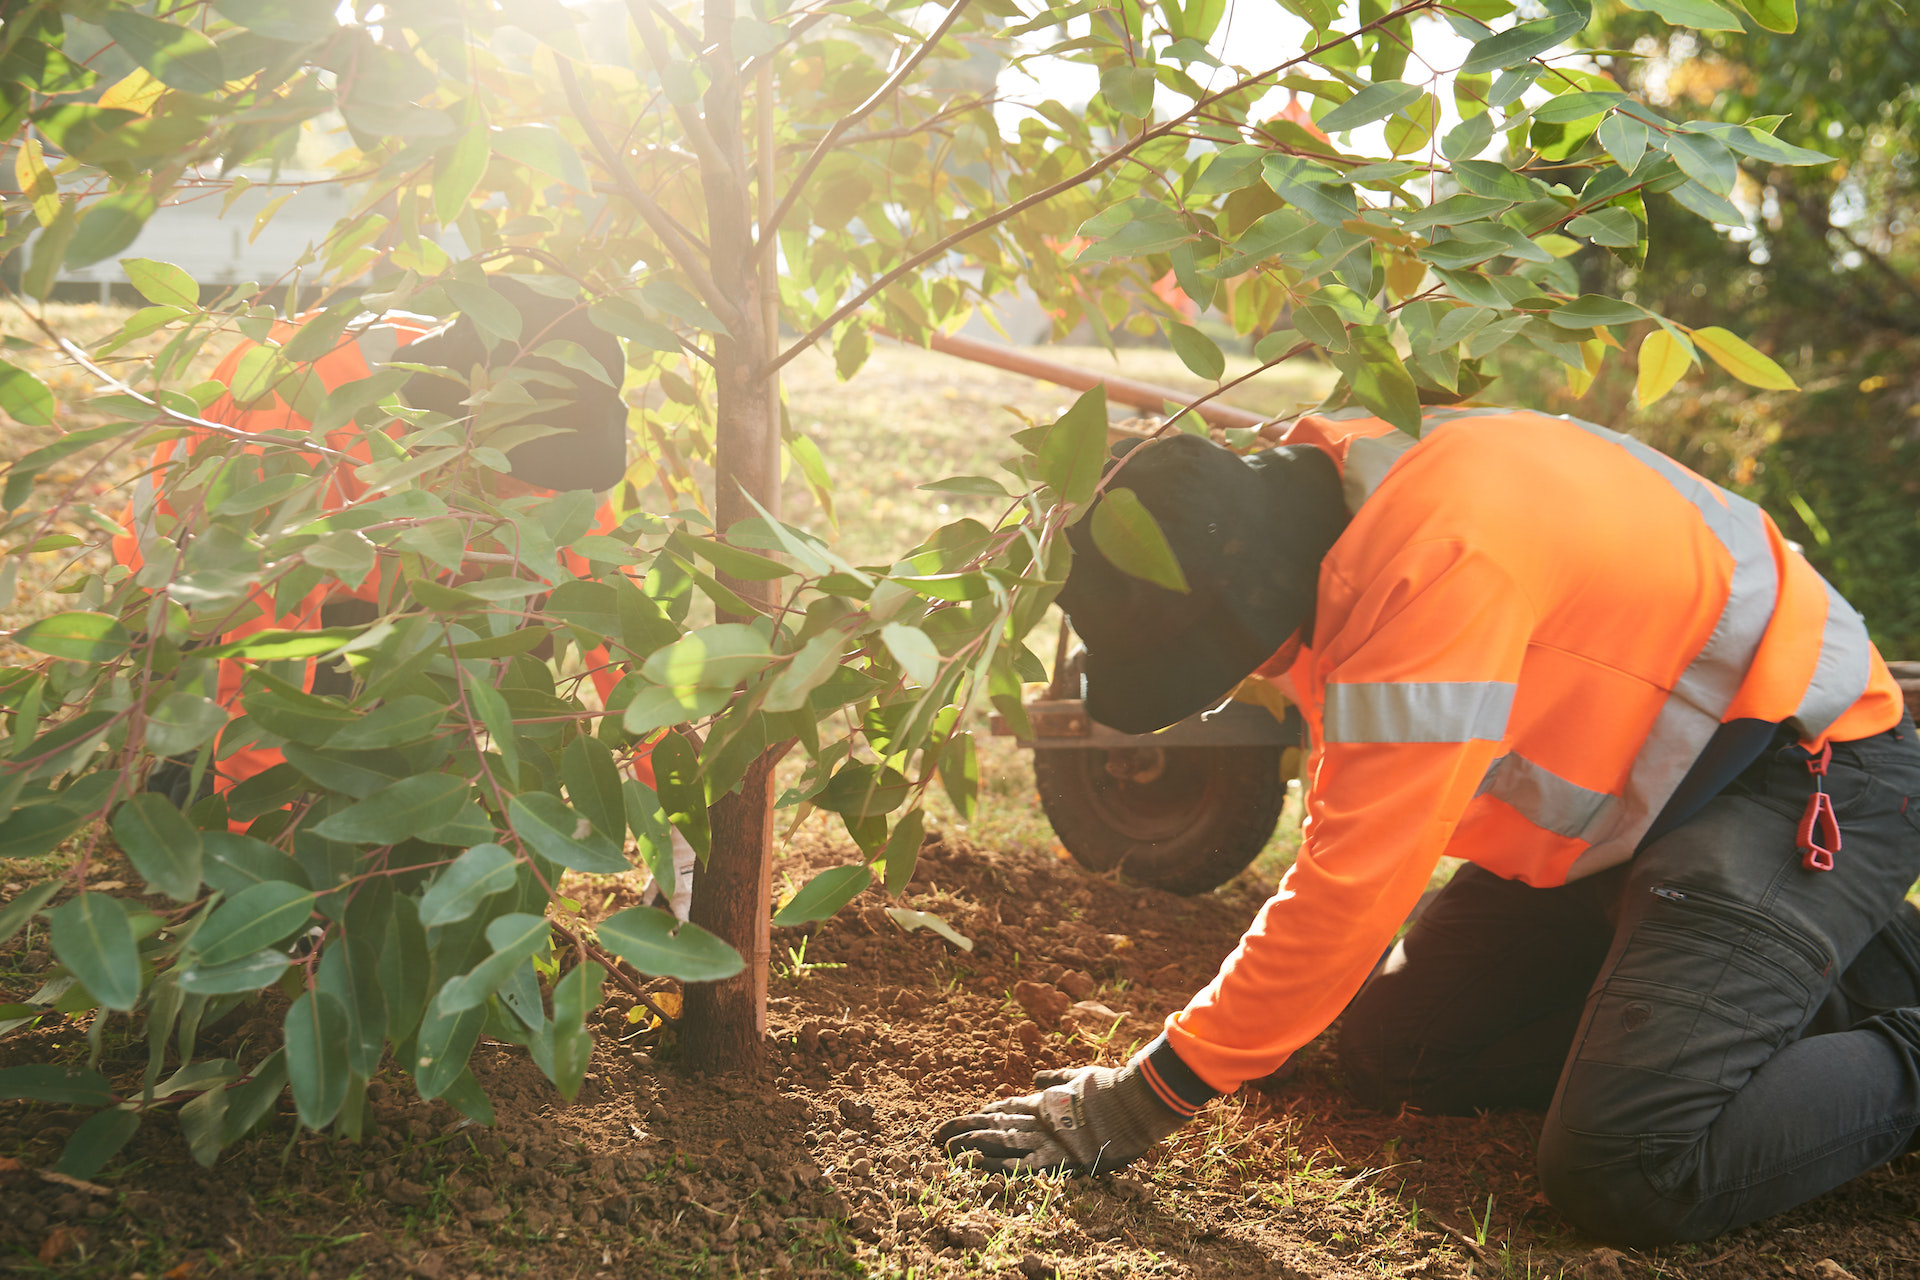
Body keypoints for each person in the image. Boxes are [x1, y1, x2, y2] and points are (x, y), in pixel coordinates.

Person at [935, 405, 1920, 1246]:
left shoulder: (1434, 565)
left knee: (1626, 1161)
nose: (1237, 672)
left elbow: (1350, 887)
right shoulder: (1317, 497)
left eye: (1222, 651)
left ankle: (1824, 1017)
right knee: (1396, 1049)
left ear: (1251, 588)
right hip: (1638, 825)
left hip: (1803, 772)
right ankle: (1755, 991)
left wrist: (1138, 1098)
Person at [114, 276, 663, 800]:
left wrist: (681, 819)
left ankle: (405, 750)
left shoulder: (565, 442)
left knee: (511, 614)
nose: (534, 497)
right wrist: (261, 855)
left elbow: (618, 622)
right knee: (261, 782)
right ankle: (177, 769)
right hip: (195, 589)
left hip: (378, 584)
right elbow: (257, 659)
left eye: (550, 478)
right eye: (519, 474)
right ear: (458, 423)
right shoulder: (303, 409)